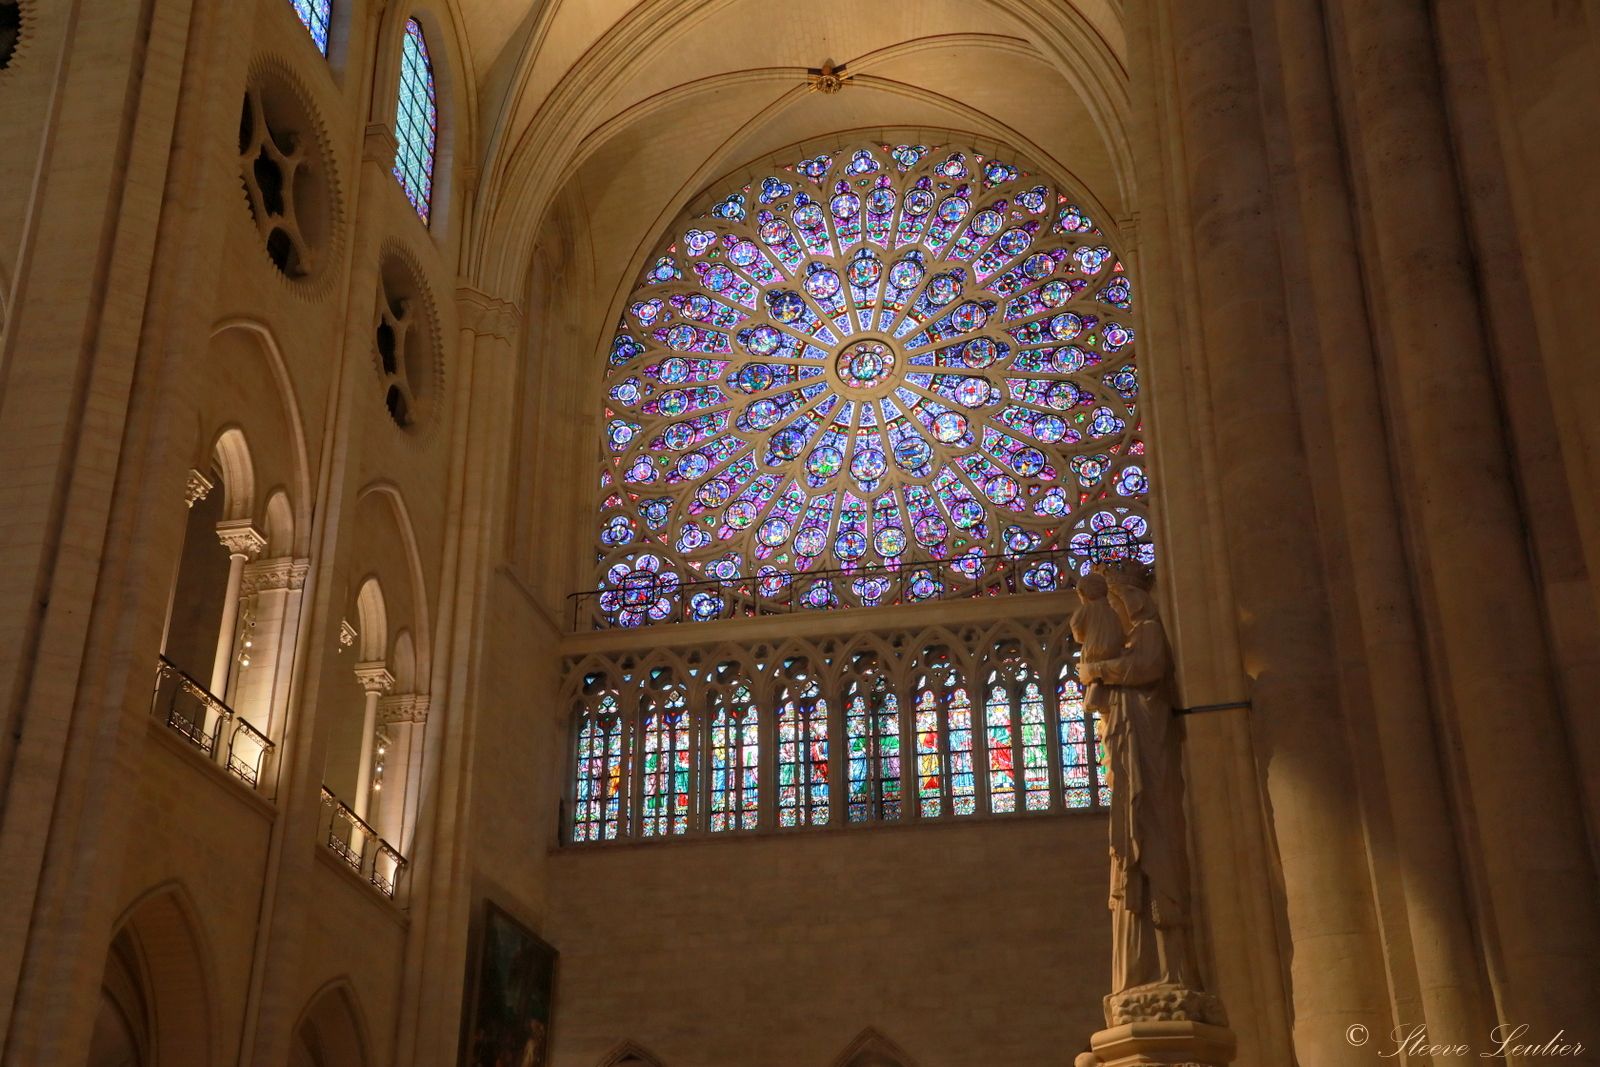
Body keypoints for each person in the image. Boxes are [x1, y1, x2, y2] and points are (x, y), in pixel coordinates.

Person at [1078, 576, 1195, 994]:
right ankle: (1140, 973)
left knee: (1149, 841)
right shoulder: (1129, 641)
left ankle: (1172, 970)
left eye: (1115, 604)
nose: (1111, 614)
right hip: (1127, 750)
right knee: (1131, 847)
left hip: (1147, 750)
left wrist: (1097, 670)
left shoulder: (1147, 633)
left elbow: (1145, 669)